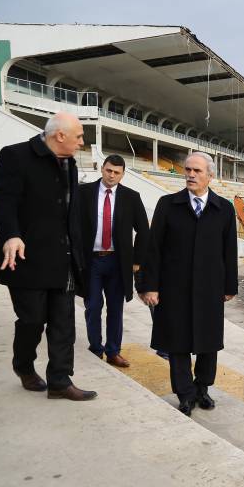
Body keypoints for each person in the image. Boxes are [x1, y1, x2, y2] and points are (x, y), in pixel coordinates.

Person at [0, 112, 97, 400]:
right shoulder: (15, 156)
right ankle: (23, 366)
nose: (82, 142)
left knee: (64, 324)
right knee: (32, 320)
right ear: (59, 135)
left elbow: (71, 214)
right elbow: (2, 200)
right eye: (79, 137)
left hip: (64, 261)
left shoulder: (70, 165)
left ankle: (61, 381)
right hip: (28, 260)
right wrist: (11, 234)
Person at [140, 152, 237, 416]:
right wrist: (150, 285)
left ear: (210, 176)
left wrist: (229, 286)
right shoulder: (168, 204)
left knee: (208, 341)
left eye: (197, 171)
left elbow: (229, 251)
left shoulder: (224, 208)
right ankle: (184, 393)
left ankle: (202, 388)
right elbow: (154, 248)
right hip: (174, 287)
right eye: (188, 170)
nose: (191, 175)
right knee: (177, 341)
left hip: (210, 288)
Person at [77, 154, 149, 368]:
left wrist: (137, 261)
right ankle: (96, 349)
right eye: (109, 170)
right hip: (92, 261)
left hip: (118, 262)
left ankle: (113, 351)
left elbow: (144, 231)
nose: (112, 175)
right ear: (102, 169)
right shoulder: (84, 193)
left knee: (116, 308)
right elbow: (72, 225)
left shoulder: (131, 197)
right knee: (93, 305)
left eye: (117, 172)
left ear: (123, 175)